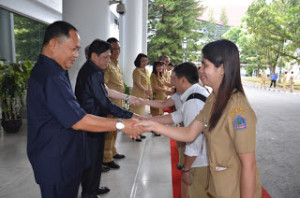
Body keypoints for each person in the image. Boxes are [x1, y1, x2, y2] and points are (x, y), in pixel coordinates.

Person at [26, 21, 142, 198]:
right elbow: (78, 119)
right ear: (53, 44)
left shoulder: (55, 70)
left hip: (63, 155)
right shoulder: (50, 75)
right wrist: (121, 124)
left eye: (78, 49)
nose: (76, 55)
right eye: (73, 49)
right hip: (57, 160)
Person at [137, 39, 262, 198]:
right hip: (217, 187)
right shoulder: (213, 100)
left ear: (222, 68)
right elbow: (190, 133)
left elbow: (248, 165)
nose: (200, 70)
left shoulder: (238, 110)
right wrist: (151, 124)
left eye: (205, 65)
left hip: (234, 190)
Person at [145, 62, 210, 198]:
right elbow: (176, 116)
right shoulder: (193, 94)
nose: (171, 82)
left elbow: (194, 143)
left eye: (174, 79)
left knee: (194, 192)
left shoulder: (194, 102)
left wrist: (186, 169)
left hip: (198, 162)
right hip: (197, 160)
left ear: (183, 80)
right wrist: (145, 120)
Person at [102, 37, 126, 170]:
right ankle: (106, 158)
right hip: (111, 103)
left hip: (118, 103)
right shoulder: (107, 64)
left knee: (115, 129)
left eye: (118, 48)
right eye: (114, 48)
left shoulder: (115, 64)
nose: (117, 51)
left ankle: (112, 151)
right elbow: (104, 86)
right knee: (110, 130)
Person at [130, 53, 152, 141]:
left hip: (143, 96)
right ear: (138, 61)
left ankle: (139, 132)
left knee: (141, 115)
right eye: (142, 61)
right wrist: (146, 90)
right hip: (137, 95)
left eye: (146, 61)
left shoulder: (146, 70)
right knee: (136, 116)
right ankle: (134, 134)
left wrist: (150, 92)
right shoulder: (137, 71)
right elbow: (137, 83)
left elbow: (148, 83)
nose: (144, 62)